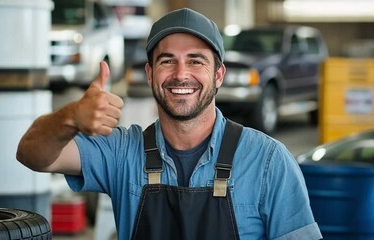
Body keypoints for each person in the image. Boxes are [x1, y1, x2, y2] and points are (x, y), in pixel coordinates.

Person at [17, 8, 322, 240]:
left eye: (195, 60)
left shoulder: (268, 161)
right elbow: (31, 153)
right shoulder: (122, 152)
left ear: (218, 75)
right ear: (150, 74)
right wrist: (69, 117)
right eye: (167, 61)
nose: (180, 74)